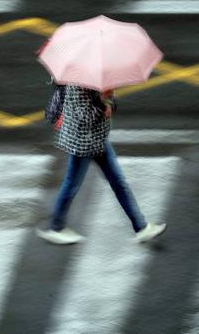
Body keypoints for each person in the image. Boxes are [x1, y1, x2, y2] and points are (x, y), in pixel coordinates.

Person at [37, 84, 167, 244]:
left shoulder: (98, 79)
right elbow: (85, 116)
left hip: (98, 140)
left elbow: (111, 105)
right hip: (83, 143)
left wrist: (108, 97)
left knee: (118, 183)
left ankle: (141, 227)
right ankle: (56, 228)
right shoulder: (78, 84)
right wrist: (102, 102)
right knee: (72, 185)